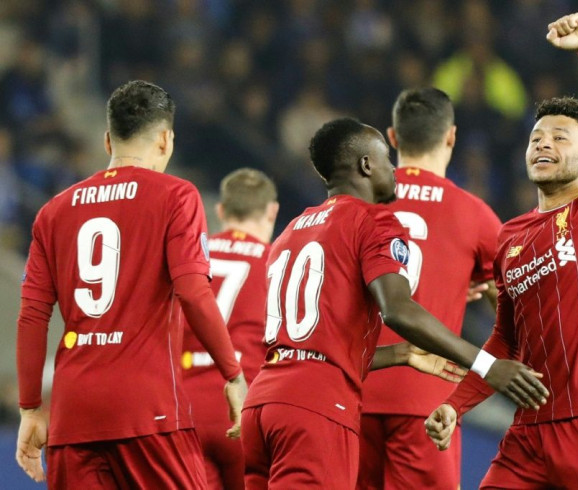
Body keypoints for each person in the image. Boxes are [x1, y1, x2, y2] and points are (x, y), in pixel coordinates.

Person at [241, 117, 549, 489]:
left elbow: (313, 345)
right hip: (315, 407)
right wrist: (487, 365)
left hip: (262, 403)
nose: (393, 169)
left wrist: (400, 353)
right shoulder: (373, 220)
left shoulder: (292, 230)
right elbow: (398, 309)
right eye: (386, 159)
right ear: (366, 165)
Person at [425, 13, 578, 489]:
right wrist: (454, 402)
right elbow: (507, 342)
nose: (543, 143)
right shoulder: (510, 237)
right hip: (530, 434)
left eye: (560, 138)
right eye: (536, 138)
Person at [15, 80, 247, 488]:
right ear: (165, 139)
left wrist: (31, 408)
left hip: (74, 414)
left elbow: (32, 315)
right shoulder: (177, 196)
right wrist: (232, 373)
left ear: (107, 140)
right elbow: (193, 291)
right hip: (148, 409)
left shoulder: (53, 212)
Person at [359, 87, 503, 490]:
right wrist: (460, 284)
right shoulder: (474, 214)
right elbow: (513, 311)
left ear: (392, 137)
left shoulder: (356, 205)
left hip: (353, 391)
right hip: (429, 401)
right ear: (451, 136)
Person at [180, 168, 278, 490]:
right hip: (246, 407)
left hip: (186, 409)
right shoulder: (277, 263)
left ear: (220, 211)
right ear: (272, 211)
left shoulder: (190, 257)